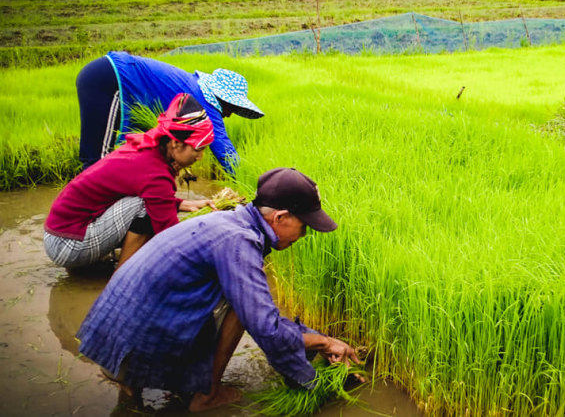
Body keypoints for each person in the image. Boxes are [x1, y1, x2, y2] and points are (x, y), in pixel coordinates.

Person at [76, 168, 364, 412]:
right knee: (241, 308)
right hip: (128, 351)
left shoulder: (228, 223)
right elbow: (267, 329)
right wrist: (324, 344)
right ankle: (207, 395)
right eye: (305, 227)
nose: (304, 235)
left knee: (242, 299)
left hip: (110, 342)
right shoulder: (239, 243)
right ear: (281, 217)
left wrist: (312, 339)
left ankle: (133, 390)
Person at [44, 93, 217, 270]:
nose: (200, 157)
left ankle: (111, 266)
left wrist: (181, 204)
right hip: (66, 245)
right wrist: (206, 260)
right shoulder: (155, 173)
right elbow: (170, 236)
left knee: (146, 205)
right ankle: (124, 275)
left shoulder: (149, 146)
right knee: (143, 207)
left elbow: (155, 196)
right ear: (175, 143)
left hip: (61, 234)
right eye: (198, 149)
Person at [75, 51, 265, 173]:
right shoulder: (205, 101)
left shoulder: (193, 87)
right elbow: (226, 153)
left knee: (119, 160)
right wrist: (250, 185)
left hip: (107, 73)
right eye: (232, 107)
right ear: (222, 98)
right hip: (111, 78)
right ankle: (83, 222)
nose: (229, 114)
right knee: (96, 161)